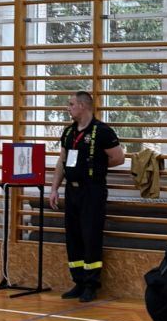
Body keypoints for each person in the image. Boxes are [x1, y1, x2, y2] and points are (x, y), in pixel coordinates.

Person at [48, 92, 125, 303]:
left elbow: (118, 158)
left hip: (92, 191)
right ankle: (79, 282)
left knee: (91, 236)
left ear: (82, 106)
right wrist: (54, 189)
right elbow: (62, 161)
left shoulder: (102, 131)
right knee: (73, 237)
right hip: (72, 191)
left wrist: (96, 166)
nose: (68, 107)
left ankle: (91, 285)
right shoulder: (68, 132)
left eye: (71, 104)